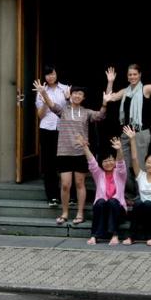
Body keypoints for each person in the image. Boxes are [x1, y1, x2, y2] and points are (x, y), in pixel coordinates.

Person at [32, 81, 106, 226]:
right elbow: (51, 105)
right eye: (75, 93)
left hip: (80, 153)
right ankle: (64, 213)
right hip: (64, 152)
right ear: (70, 95)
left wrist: (104, 103)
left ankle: (80, 214)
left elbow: (100, 116)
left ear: (83, 97)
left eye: (80, 94)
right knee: (65, 185)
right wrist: (43, 92)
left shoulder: (86, 112)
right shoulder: (63, 110)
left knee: (80, 183)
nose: (77, 96)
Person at [104, 55, 151, 195]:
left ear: (140, 75)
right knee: (122, 165)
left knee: (140, 165)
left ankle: (141, 194)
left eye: (135, 74)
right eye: (130, 74)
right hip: (126, 133)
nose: (132, 77)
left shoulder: (145, 89)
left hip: (141, 133)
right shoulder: (125, 92)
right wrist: (110, 82)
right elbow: (109, 97)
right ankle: (130, 192)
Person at [76, 134, 127, 246]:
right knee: (100, 202)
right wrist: (85, 147)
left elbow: (121, 163)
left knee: (112, 201)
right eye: (105, 161)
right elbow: (92, 162)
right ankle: (94, 236)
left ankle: (114, 235)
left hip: (118, 210)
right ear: (101, 163)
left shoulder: (120, 173)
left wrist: (119, 150)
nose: (108, 163)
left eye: (110, 160)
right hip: (103, 209)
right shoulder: (98, 174)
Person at [33, 65, 69, 208]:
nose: (50, 77)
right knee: (49, 163)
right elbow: (40, 116)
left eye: (52, 74)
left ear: (56, 74)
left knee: (65, 161)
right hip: (47, 129)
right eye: (47, 75)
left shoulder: (65, 89)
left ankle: (69, 195)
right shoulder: (42, 91)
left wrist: (68, 99)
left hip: (64, 129)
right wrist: (45, 100)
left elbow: (72, 109)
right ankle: (52, 196)